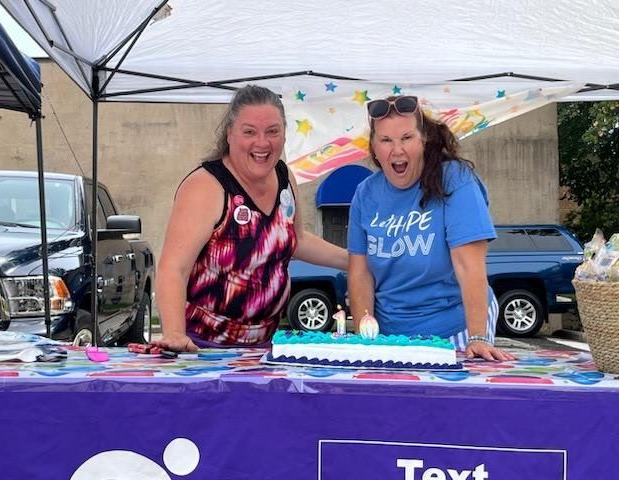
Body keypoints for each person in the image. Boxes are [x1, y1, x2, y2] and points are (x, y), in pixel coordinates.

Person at [154, 85, 347, 352]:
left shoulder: (284, 176)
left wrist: (355, 261)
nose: (262, 143)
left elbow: (295, 239)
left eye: (273, 131)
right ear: (229, 134)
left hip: (265, 347)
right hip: (204, 348)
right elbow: (173, 268)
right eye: (249, 132)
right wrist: (174, 334)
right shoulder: (206, 186)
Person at [347, 95, 514, 361]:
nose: (397, 150)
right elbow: (360, 274)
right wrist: (365, 338)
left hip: (454, 326)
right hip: (390, 333)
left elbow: (468, 266)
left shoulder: (456, 179)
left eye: (406, 138)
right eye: (386, 140)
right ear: (374, 148)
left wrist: (478, 336)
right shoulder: (365, 194)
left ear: (423, 139)